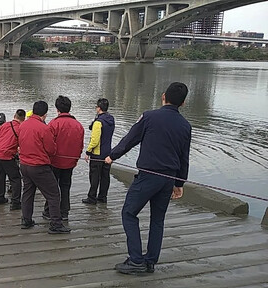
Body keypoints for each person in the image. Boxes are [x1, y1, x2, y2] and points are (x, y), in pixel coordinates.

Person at [105, 82, 191, 275]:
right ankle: (150, 261)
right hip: (168, 178)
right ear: (183, 103)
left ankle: (136, 260)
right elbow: (184, 158)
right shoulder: (186, 126)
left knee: (129, 213)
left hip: (148, 176)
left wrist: (112, 155)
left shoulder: (150, 116)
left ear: (163, 96)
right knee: (157, 220)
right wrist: (179, 183)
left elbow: (130, 139)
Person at [18, 101, 70, 234]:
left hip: (24, 165)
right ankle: (55, 224)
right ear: (45, 114)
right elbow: (51, 150)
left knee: (28, 193)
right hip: (39, 166)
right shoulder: (44, 128)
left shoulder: (23, 125)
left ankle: (26, 220)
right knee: (53, 194)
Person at [42, 96, 84, 221]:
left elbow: (48, 144)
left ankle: (49, 211)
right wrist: (75, 159)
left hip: (54, 162)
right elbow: (80, 145)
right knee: (65, 187)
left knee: (52, 188)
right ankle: (64, 212)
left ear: (57, 109)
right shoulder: (78, 125)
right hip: (70, 162)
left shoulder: (53, 124)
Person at [82, 98, 115, 204]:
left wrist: (88, 151)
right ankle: (102, 197)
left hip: (97, 154)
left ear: (99, 108)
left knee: (94, 176)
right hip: (108, 153)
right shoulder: (111, 119)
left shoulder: (98, 122)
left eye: (96, 106)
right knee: (105, 176)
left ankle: (91, 197)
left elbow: (95, 140)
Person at [0, 109, 26, 209]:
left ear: (14, 116)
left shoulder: (5, 125)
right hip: (7, 155)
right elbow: (22, 143)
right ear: (23, 119)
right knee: (15, 178)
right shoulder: (20, 128)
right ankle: (15, 202)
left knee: (0, 176)